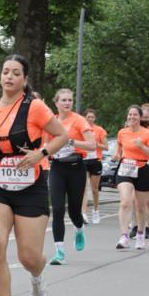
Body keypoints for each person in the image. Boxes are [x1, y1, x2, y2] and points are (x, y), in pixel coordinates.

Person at [0, 55, 68, 296]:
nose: (9, 77)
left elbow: (62, 136)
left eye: (16, 73)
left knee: (28, 256)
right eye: (6, 72)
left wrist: (41, 153)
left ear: (25, 79)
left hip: (30, 185)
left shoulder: (35, 107)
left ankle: (37, 277)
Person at [47, 89, 95, 265]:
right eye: (64, 100)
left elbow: (92, 145)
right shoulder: (51, 121)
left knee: (74, 211)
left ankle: (79, 228)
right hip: (57, 167)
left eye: (70, 100)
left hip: (76, 168)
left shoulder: (79, 120)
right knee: (58, 209)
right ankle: (59, 252)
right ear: (56, 103)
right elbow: (45, 144)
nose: (67, 103)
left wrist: (71, 142)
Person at [113, 105, 149, 250]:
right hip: (125, 168)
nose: (132, 117)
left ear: (140, 117)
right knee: (125, 202)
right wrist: (116, 154)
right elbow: (119, 146)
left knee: (140, 207)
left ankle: (140, 234)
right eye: (130, 114)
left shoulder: (147, 134)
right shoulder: (122, 132)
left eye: (135, 115)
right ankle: (124, 236)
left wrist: (142, 147)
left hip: (142, 169)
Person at [81, 107, 108, 225]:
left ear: (95, 118)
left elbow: (106, 147)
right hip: (83, 160)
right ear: (84, 118)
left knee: (95, 189)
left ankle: (96, 210)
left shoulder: (99, 130)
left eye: (92, 117)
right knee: (84, 187)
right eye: (88, 117)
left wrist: (95, 144)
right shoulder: (81, 129)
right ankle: (83, 213)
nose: (90, 119)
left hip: (95, 160)